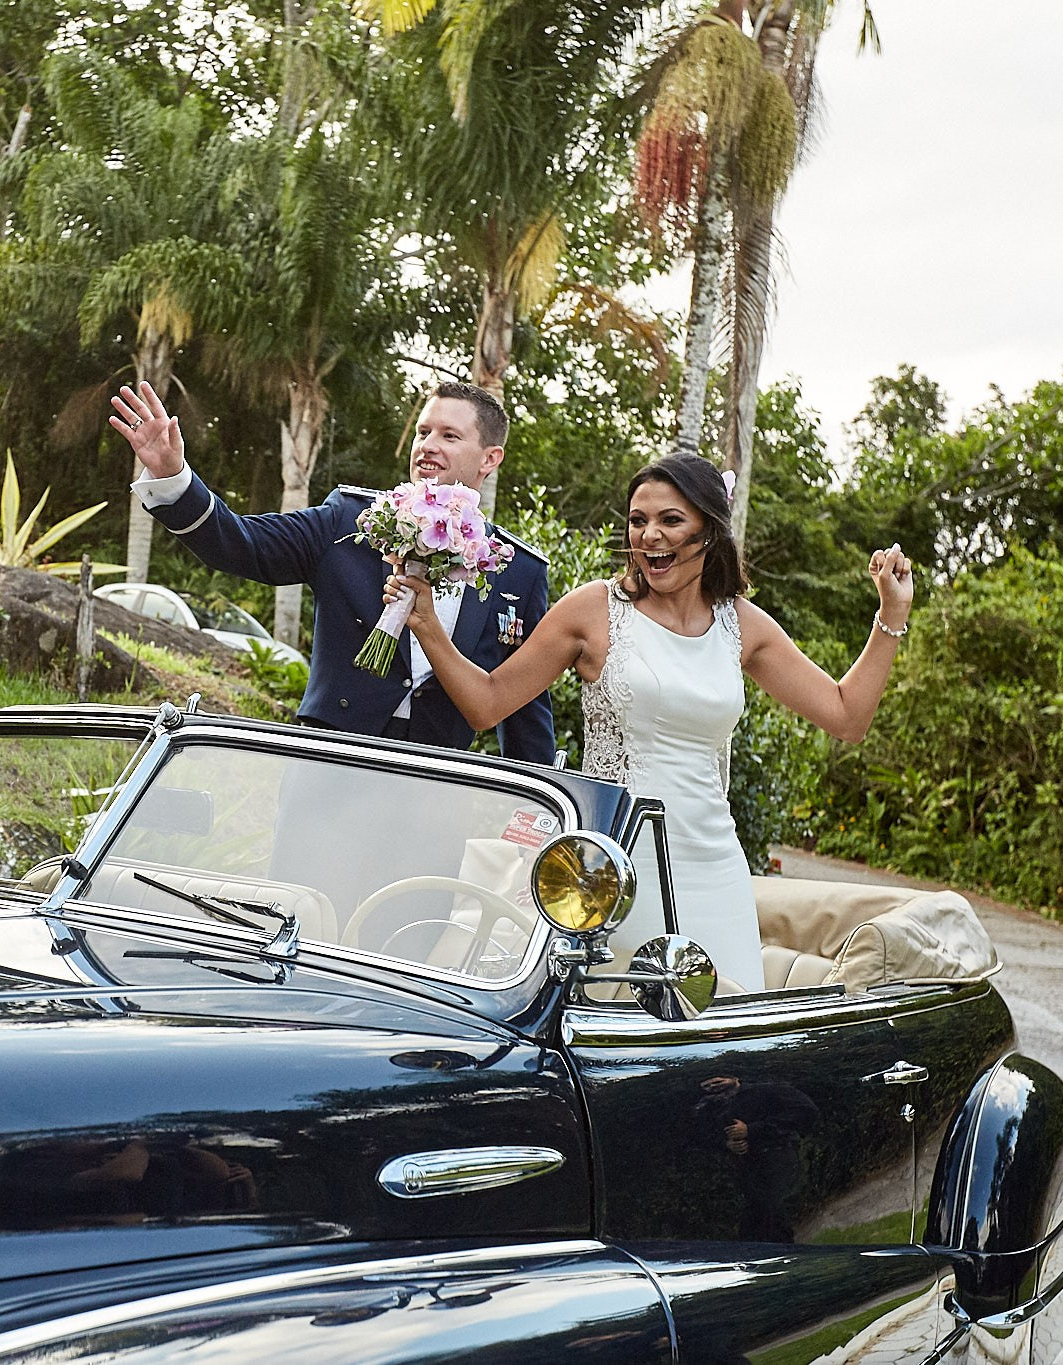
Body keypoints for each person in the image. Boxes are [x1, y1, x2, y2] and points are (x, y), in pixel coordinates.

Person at [389, 453, 915, 989]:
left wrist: (890, 616)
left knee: (724, 1040)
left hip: (715, 867)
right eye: (638, 521)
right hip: (614, 867)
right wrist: (428, 625)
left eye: (670, 520)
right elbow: (489, 702)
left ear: (709, 531)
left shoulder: (743, 625)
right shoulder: (592, 610)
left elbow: (846, 716)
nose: (649, 536)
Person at [110, 378, 554, 762]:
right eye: (423, 431)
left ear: (490, 458)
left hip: (436, 785)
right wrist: (174, 477)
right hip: (325, 762)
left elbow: (524, 709)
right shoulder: (348, 520)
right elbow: (241, 545)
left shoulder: (517, 570)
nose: (427, 445)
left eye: (449, 436)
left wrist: (534, 817)